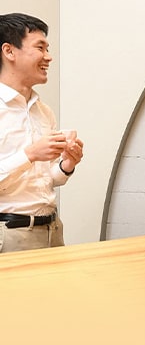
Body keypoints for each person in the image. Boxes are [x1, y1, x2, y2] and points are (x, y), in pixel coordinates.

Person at [0, 13, 84, 252]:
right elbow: (30, 159)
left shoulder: (43, 111)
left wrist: (66, 165)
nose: (48, 57)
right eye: (40, 48)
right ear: (9, 51)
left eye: (48, 49)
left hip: (52, 229)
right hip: (8, 235)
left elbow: (46, 181)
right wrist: (30, 154)